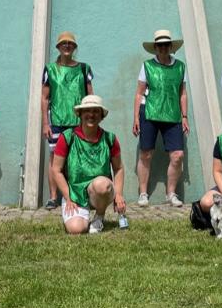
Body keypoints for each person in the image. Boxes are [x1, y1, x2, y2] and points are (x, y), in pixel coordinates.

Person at [50, 95, 126, 234]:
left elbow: (119, 168)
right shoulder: (67, 137)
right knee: (76, 229)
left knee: (101, 185)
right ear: (80, 114)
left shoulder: (110, 139)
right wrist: (68, 197)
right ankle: (80, 215)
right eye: (87, 111)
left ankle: (99, 216)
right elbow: (56, 170)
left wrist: (119, 194)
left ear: (101, 116)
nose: (91, 114)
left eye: (96, 111)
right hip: (75, 192)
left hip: (100, 190)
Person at [133, 29, 189, 207]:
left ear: (171, 47)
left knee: (178, 155)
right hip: (149, 113)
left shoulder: (180, 66)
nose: (163, 48)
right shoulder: (147, 66)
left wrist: (185, 116)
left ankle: (170, 193)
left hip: (172, 115)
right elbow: (139, 93)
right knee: (146, 154)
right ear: (155, 47)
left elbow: (182, 94)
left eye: (166, 44)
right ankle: (143, 193)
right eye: (160, 45)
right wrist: (135, 118)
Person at [41, 31, 94, 209]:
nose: (67, 46)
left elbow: (90, 97)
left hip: (79, 121)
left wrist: (92, 118)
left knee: (77, 159)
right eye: (63, 43)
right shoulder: (50, 69)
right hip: (56, 120)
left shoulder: (84, 68)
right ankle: (54, 197)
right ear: (58, 47)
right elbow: (45, 98)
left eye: (70, 43)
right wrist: (45, 123)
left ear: (74, 47)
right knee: (54, 158)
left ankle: (76, 194)